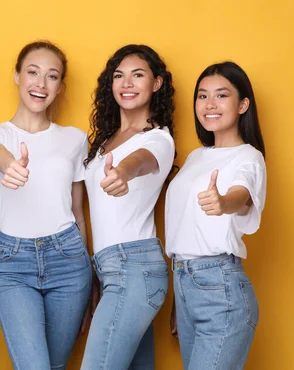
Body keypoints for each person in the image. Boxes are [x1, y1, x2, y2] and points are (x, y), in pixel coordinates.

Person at [0, 41, 91, 370]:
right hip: (14, 265)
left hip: (69, 260)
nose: (40, 84)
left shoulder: (75, 139)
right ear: (17, 76)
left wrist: (89, 279)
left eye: (51, 76)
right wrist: (10, 163)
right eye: (32, 73)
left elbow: (79, 212)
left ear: (61, 86)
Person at [165, 61, 266, 370]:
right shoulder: (197, 156)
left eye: (221, 96)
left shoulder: (248, 156)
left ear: (243, 104)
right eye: (202, 95)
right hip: (186, 283)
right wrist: (180, 295)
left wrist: (223, 202)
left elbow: (243, 194)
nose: (209, 104)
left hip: (220, 289)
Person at [81, 44, 175, 370]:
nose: (127, 83)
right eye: (119, 76)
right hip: (111, 269)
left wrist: (122, 172)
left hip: (133, 268)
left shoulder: (157, 139)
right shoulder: (105, 140)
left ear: (157, 84)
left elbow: (140, 162)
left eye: (138, 75)